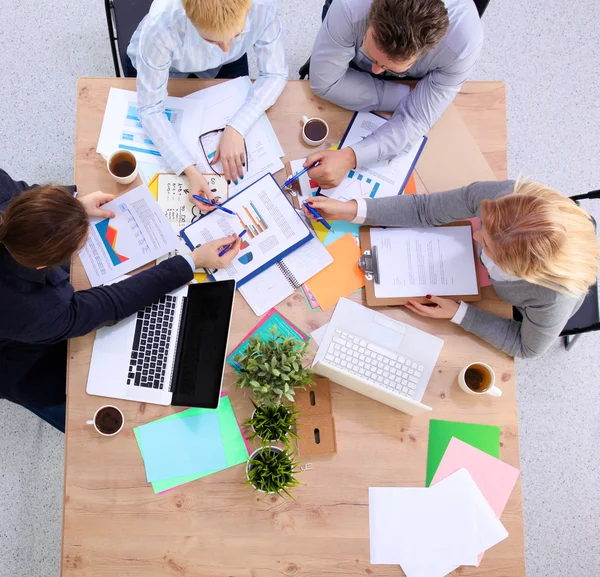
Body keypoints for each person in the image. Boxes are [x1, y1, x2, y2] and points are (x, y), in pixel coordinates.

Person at [0, 169, 240, 432]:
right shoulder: (37, 310)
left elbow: (20, 194)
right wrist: (192, 261)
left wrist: (74, 208)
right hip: (20, 363)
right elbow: (108, 303)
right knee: (78, 411)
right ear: (45, 264)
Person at [302, 180, 600, 358]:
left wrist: (460, 313)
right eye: (484, 224)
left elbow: (527, 348)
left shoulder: (553, 297)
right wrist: (353, 210)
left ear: (519, 272)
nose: (475, 235)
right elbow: (426, 208)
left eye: (489, 247)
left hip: (504, 300)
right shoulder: (508, 195)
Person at [127, 0, 288, 207]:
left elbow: (275, 73)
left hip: (226, 66)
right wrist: (189, 170)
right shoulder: (161, 25)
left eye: (238, 35)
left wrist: (237, 126)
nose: (226, 48)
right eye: (211, 41)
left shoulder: (263, 5)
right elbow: (150, 108)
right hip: (168, 66)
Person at [306, 0, 483, 188]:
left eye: (386, 66)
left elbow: (416, 120)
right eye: (371, 55)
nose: (375, 71)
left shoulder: (464, 44)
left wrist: (351, 157)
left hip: (415, 78)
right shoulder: (348, 7)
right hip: (355, 46)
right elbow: (325, 82)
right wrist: (407, 97)